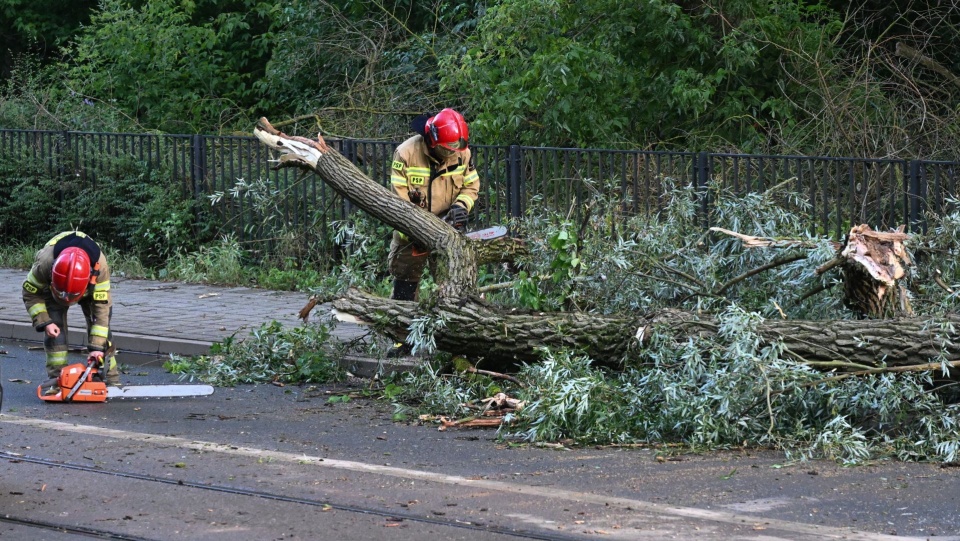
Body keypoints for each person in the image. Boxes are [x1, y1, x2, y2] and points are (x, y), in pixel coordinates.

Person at [386, 108, 480, 355]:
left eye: (455, 147)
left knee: (452, 286)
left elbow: (471, 187)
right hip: (411, 232)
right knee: (405, 284)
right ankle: (402, 340)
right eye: (447, 148)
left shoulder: (462, 153)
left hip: (447, 230)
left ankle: (455, 342)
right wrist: (421, 229)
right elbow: (399, 201)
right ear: (433, 141)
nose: (452, 152)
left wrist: (461, 208)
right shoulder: (406, 153)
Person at [21, 230, 120, 388]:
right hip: (53, 290)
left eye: (70, 296)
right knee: (55, 334)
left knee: (102, 333)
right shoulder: (45, 263)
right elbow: (30, 293)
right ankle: (58, 382)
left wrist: (97, 347)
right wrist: (44, 321)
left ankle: (110, 381)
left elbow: (101, 310)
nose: (67, 300)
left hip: (90, 290)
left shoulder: (100, 268)